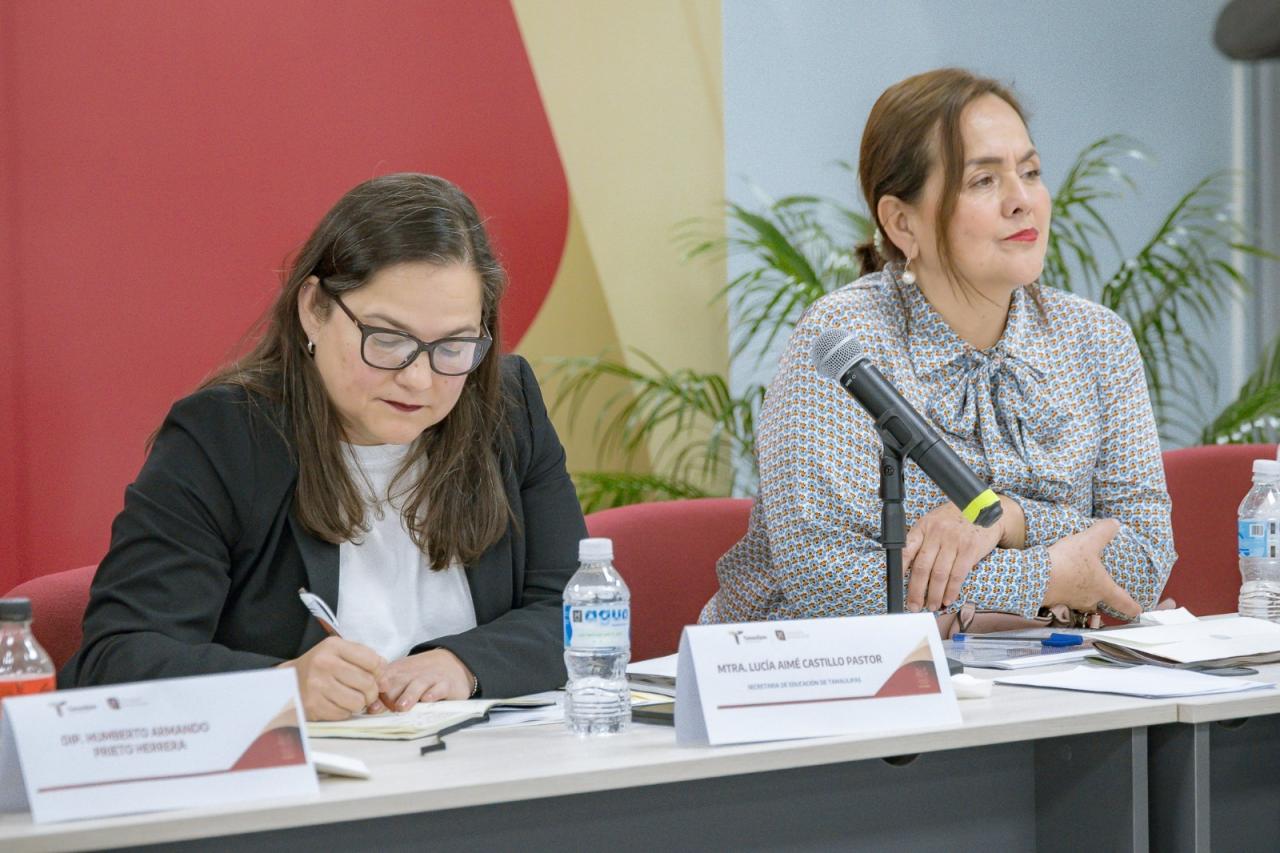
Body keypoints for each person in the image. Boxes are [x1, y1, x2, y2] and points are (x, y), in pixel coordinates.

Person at [60, 173, 586, 720]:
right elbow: (115, 660)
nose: (419, 379)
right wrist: (281, 686)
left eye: (453, 347)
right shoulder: (224, 438)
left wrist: (462, 664)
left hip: (483, 760)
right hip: (303, 769)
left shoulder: (507, 410)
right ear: (314, 308)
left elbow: (578, 610)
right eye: (388, 339)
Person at [700, 69, 1175, 625]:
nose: (1022, 200)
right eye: (984, 181)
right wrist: (1047, 577)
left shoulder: (1097, 340)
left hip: (1026, 669)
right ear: (902, 223)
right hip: (811, 669)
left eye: (1030, 172)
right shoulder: (843, 341)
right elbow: (827, 581)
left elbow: (1145, 561)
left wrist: (1008, 520)